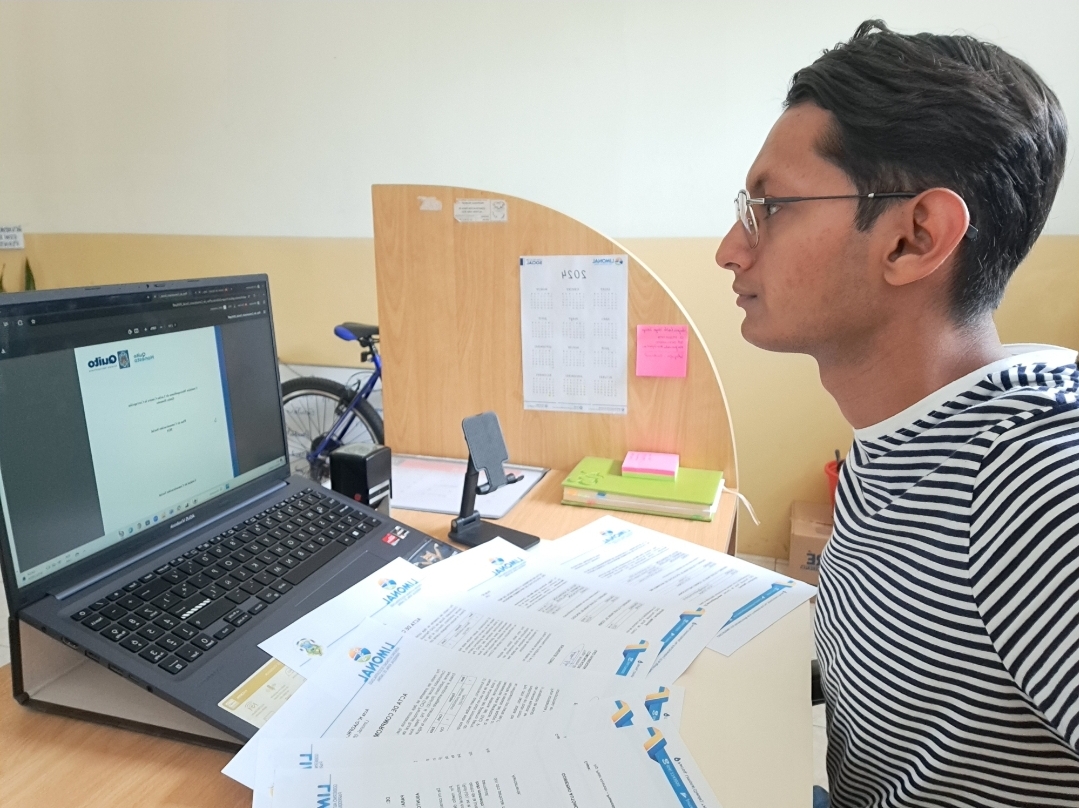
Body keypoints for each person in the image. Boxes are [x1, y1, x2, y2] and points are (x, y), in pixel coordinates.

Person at [715, 20, 1077, 808]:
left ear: (913, 238)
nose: (729, 250)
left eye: (769, 207)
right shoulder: (908, 436)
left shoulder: (1039, 487)